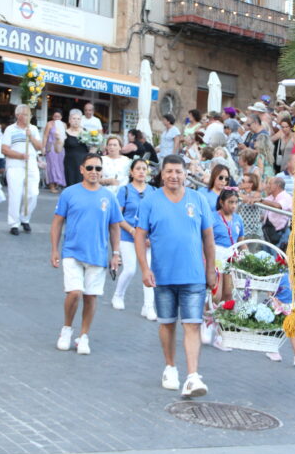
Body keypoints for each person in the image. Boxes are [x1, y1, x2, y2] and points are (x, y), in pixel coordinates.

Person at [135, 155, 216, 397]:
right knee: (167, 323)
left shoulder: (198, 199)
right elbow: (140, 236)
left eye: (178, 171)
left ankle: (192, 376)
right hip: (163, 275)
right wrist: (144, 268)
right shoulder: (150, 201)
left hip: (193, 275)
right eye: (169, 171)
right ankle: (170, 366)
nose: (174, 176)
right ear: (162, 174)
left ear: (185, 174)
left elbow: (208, 238)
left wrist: (210, 268)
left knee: (192, 324)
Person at [51, 153, 123, 355]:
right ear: (82, 169)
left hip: (98, 255)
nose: (94, 172)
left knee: (91, 297)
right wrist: (54, 249)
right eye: (90, 168)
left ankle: (83, 336)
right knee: (74, 293)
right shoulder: (69, 193)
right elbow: (57, 222)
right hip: (72, 251)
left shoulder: (109, 197)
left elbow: (115, 227)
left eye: (98, 169)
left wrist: (115, 253)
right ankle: (66, 329)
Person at [112, 159, 157, 320]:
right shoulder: (124, 191)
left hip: (147, 238)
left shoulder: (153, 191)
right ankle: (118, 294)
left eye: (144, 169)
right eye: (138, 169)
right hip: (128, 235)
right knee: (130, 269)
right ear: (131, 172)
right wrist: (132, 230)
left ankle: (148, 306)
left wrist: (151, 236)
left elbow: (156, 216)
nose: (141, 171)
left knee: (150, 271)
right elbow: (118, 216)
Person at [1, 104, 43, 236]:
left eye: (29, 114)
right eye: (25, 114)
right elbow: (4, 149)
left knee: (33, 193)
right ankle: (14, 223)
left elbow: (40, 147)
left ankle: (25, 217)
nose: (27, 117)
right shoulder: (10, 129)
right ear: (18, 115)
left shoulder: (34, 129)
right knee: (15, 194)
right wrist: (20, 156)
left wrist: (31, 137)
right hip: (15, 165)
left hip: (31, 164)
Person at [211, 188, 245, 304]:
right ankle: (207, 318)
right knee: (216, 294)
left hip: (231, 257)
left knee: (228, 293)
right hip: (216, 256)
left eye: (236, 202)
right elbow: (204, 240)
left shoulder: (238, 219)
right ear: (221, 202)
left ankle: (222, 319)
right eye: (230, 202)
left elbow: (241, 241)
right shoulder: (212, 217)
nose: (234, 206)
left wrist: (247, 256)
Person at [259, 177, 292, 247]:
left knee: (278, 257)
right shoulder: (272, 197)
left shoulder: (286, 196)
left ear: (278, 185)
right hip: (268, 233)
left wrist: (260, 200)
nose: (268, 186)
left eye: (270, 184)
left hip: (281, 235)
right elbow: (261, 200)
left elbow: (278, 206)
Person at [63, 108, 89, 187]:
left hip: (83, 162)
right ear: (69, 120)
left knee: (84, 184)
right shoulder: (65, 133)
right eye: (74, 118)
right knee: (71, 184)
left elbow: (91, 147)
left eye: (78, 119)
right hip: (70, 163)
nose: (76, 121)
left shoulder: (85, 132)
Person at [42, 110, 66, 193]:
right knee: (52, 166)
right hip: (51, 147)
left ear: (61, 117)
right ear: (52, 117)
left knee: (59, 166)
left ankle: (57, 184)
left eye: (58, 116)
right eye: (55, 116)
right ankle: (51, 185)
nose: (56, 118)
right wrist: (43, 147)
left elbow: (64, 137)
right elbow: (45, 136)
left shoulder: (63, 125)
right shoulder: (49, 124)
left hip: (60, 148)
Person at [238, 173, 263, 243]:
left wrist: (238, 193)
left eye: (243, 181)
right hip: (242, 230)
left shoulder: (256, 193)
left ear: (250, 184)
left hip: (254, 232)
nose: (240, 182)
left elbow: (250, 199)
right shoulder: (240, 192)